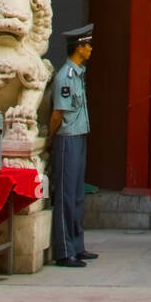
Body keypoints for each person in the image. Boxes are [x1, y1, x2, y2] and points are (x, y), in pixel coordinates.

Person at [48, 23, 98, 268]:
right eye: (88, 45)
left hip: (79, 136)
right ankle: (64, 250)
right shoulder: (65, 77)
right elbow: (58, 113)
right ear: (79, 48)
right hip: (67, 138)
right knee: (66, 195)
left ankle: (78, 246)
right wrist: (50, 137)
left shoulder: (78, 74)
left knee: (77, 194)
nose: (90, 49)